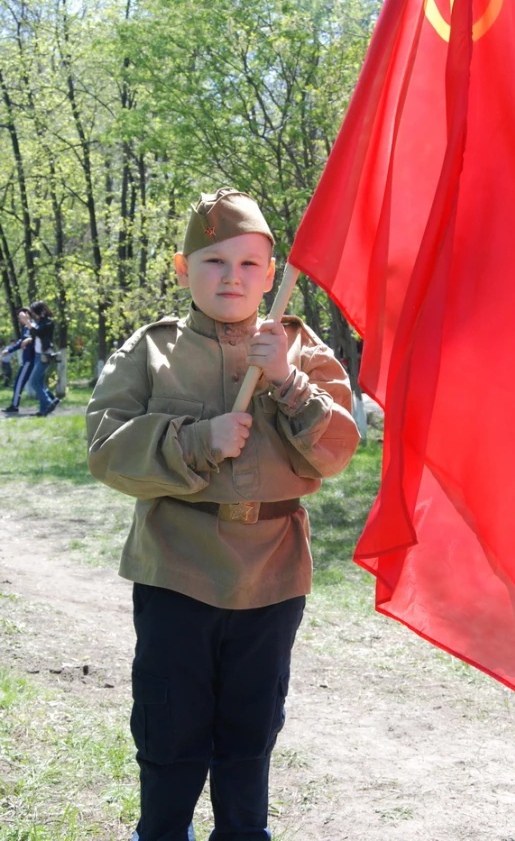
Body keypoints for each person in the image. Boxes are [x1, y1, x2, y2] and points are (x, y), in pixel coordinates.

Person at [86, 188, 360, 841]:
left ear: (271, 275)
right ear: (184, 269)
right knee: (171, 720)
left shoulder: (297, 345)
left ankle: (243, 832)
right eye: (213, 262)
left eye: (248, 264)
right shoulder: (151, 350)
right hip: (176, 567)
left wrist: (290, 382)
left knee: (250, 726)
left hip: (272, 574)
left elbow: (338, 451)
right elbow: (104, 447)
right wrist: (194, 440)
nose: (231, 277)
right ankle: (161, 831)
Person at [26, 301, 59, 418]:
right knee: (39, 382)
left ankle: (49, 403)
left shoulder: (48, 322)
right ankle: (44, 408)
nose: (33, 314)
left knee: (33, 382)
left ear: (38, 311)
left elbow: (38, 333)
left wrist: (28, 323)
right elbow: (35, 334)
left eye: (34, 312)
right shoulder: (41, 322)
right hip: (38, 354)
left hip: (45, 355)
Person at [2, 308, 35, 416]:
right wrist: (10, 350)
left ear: (27, 315)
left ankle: (14, 406)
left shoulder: (32, 326)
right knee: (37, 383)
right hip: (27, 360)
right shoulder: (26, 328)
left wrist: (11, 349)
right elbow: (22, 342)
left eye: (20, 316)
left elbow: (29, 340)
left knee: (19, 383)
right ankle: (52, 401)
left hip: (29, 360)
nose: (19, 319)